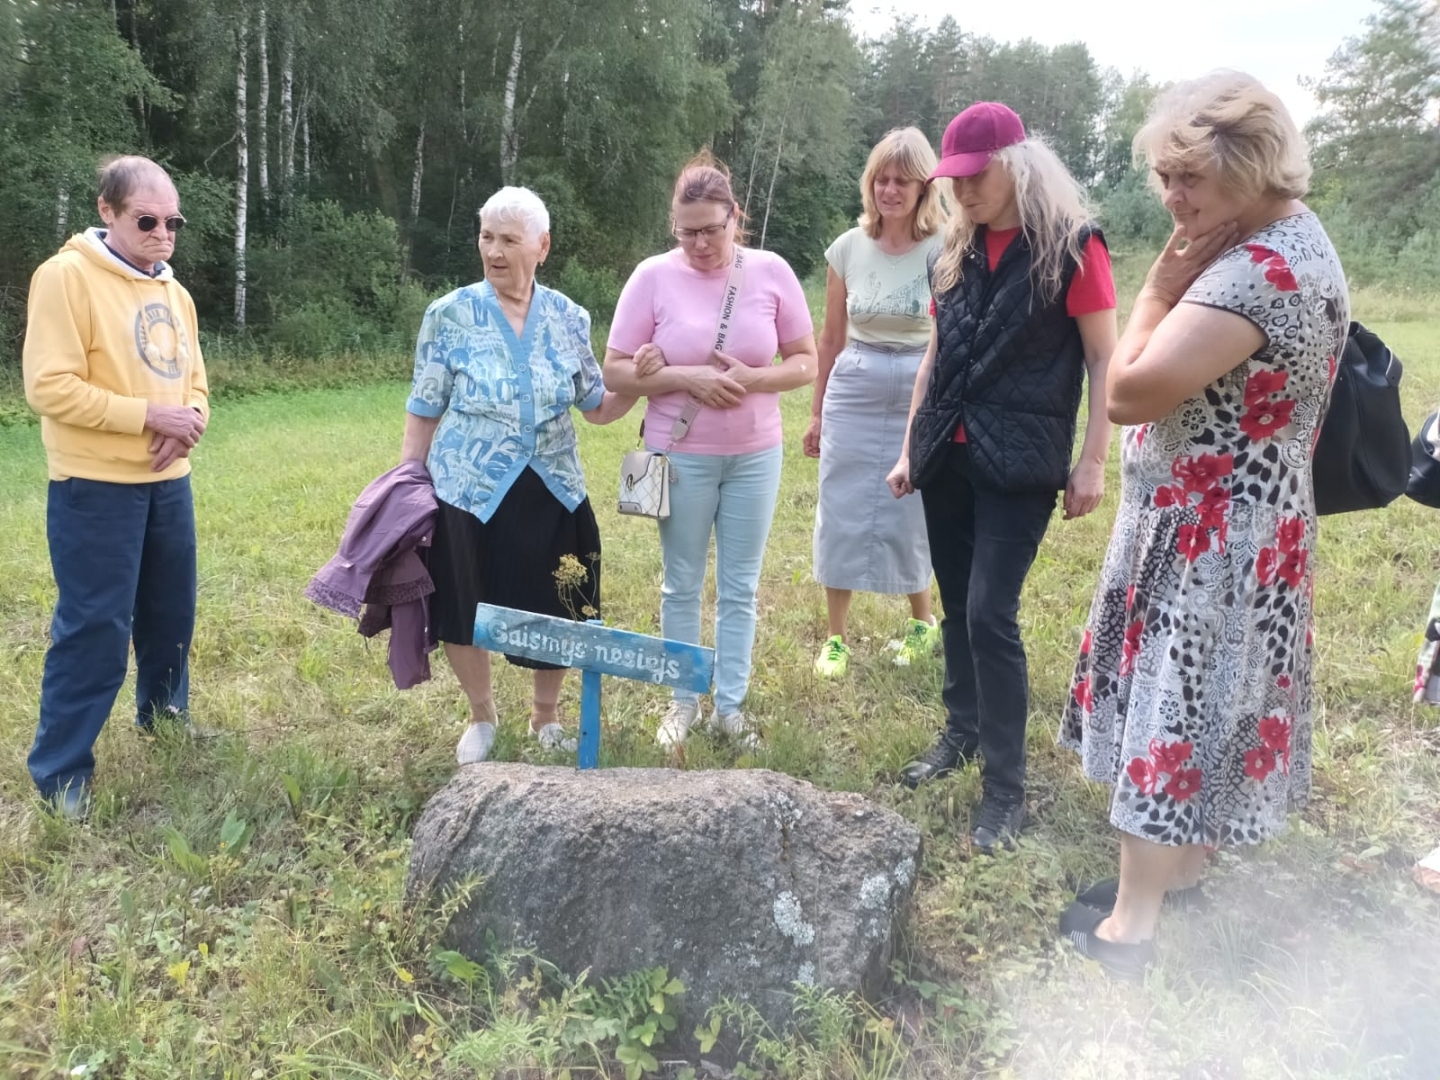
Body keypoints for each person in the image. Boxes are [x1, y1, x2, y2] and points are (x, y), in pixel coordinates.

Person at [1057, 72, 1349, 976]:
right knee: (1203, 704)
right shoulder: (1279, 242)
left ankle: (1131, 928)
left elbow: (1131, 387)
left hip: (1212, 538)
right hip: (1227, 522)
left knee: (1174, 710)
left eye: (1189, 177)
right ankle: (1178, 866)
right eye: (1165, 178)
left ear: (1252, 163)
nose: (1173, 197)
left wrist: (1154, 290)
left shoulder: (1261, 269)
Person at [886, 103, 1117, 854]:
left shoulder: (1073, 249)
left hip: (1021, 461)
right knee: (957, 606)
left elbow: (1103, 360)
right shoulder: (952, 249)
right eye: (954, 180)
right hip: (946, 453)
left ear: (1016, 165)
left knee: (991, 612)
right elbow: (934, 357)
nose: (963, 192)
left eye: (975, 176)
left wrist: (1092, 461)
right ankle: (960, 735)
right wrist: (908, 448)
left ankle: (1006, 790)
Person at [402, 186, 637, 764]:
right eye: (487, 237)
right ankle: (482, 716)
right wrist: (409, 477)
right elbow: (426, 403)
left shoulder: (568, 317)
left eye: (510, 239)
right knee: (463, 603)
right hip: (468, 488)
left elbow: (597, 405)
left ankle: (545, 715)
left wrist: (640, 382)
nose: (495, 251)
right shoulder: (449, 313)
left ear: (542, 246)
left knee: (564, 600)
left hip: (553, 485)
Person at [604, 152, 818, 747]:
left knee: (741, 586)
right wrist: (684, 377)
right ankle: (683, 704)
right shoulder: (651, 277)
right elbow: (616, 374)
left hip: (755, 454)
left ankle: (730, 707)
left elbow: (805, 363)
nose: (699, 243)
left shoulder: (771, 271)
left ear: (735, 217)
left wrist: (752, 378)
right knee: (680, 582)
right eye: (686, 230)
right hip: (678, 454)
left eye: (711, 229)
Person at [23, 155, 211, 818]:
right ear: (108, 211)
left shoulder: (174, 292)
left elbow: (194, 383)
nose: (163, 233)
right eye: (147, 220)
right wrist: (145, 416)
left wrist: (191, 420)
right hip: (93, 487)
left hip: (168, 485)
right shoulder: (65, 277)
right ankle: (61, 772)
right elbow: (48, 386)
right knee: (94, 628)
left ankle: (164, 717)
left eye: (173, 222)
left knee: (169, 615)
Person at [805, 128, 946, 678]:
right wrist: (816, 412)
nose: (890, 190)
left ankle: (922, 623)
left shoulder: (947, 247)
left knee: (913, 509)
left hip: (921, 383)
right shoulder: (846, 248)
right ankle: (835, 638)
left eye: (902, 180)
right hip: (855, 384)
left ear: (922, 187)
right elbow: (831, 337)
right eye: (881, 179)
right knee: (839, 506)